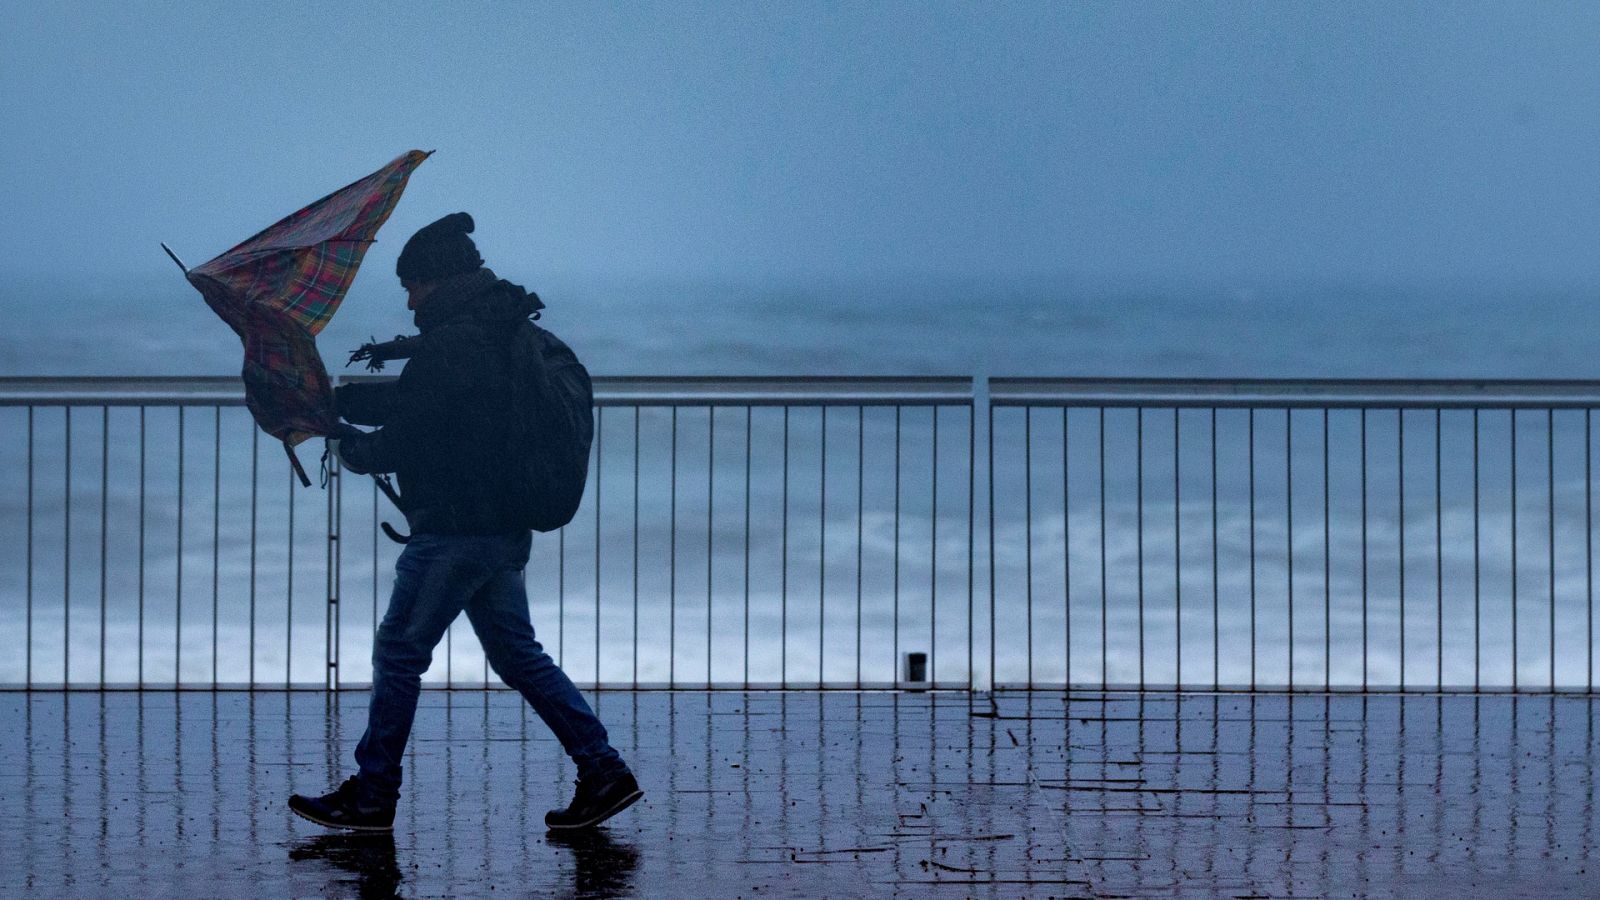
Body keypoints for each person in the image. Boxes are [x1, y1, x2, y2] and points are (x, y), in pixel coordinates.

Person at [288, 212, 641, 832]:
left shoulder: (455, 343)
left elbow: (405, 436)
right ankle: (604, 771)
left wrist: (343, 442)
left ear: (436, 280)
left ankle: (373, 796)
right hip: (501, 525)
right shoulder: (491, 331)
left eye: (411, 286)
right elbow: (428, 403)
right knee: (518, 657)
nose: (406, 298)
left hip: (458, 530)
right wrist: (337, 404)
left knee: (399, 650)